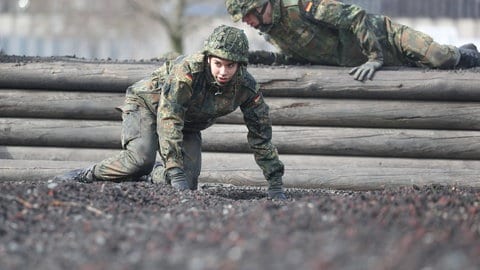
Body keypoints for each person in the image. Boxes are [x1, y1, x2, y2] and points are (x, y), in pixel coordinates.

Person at [52, 25, 286, 200]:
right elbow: (169, 116)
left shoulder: (246, 87)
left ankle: (151, 175)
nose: (223, 71)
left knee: (189, 182)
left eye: (230, 65)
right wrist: (174, 171)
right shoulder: (188, 71)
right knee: (141, 160)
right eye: (218, 64)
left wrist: (275, 182)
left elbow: (261, 134)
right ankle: (86, 174)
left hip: (188, 123)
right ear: (208, 59)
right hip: (148, 105)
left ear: (240, 65)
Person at [225, 0, 480, 81]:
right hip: (355, 59)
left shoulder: (302, 7)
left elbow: (356, 16)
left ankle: (466, 54)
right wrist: (266, 58)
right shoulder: (272, 30)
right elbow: (298, 57)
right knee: (424, 69)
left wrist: (375, 57)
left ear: (261, 5)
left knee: (441, 58)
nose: (245, 21)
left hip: (387, 37)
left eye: (247, 15)